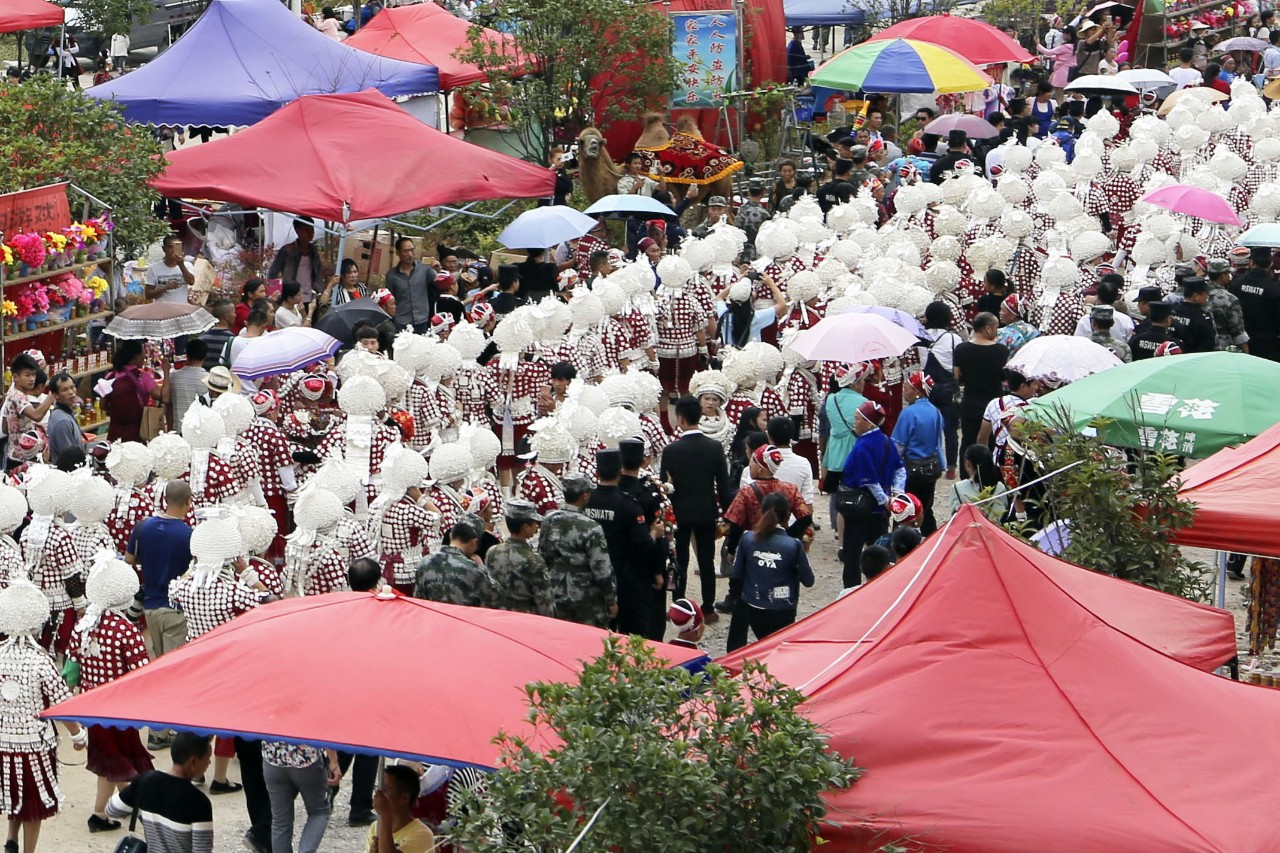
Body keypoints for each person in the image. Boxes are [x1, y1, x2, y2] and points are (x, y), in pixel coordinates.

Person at [660, 397, 732, 623]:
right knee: (706, 561)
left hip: (680, 511)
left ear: (680, 418)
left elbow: (664, 485)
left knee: (678, 559)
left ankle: (679, 605)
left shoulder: (671, 450)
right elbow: (723, 484)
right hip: (706, 510)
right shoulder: (714, 447)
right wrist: (727, 514)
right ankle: (708, 607)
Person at [587, 450, 665, 639]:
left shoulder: (588, 499)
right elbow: (643, 543)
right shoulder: (629, 505)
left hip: (596, 575)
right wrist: (654, 534)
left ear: (597, 473)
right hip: (629, 576)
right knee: (634, 633)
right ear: (619, 472)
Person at [125, 480, 194, 686]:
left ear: (164, 500)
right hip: (176, 609)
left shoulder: (143, 527)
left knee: (160, 662)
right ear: (188, 502)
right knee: (175, 670)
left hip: (150, 607)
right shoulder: (189, 535)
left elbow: (129, 560)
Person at [106, 732, 213, 853]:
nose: (209, 763)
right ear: (193, 762)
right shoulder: (199, 802)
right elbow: (202, 850)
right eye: (208, 758)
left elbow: (111, 810)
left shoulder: (145, 781)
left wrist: (142, 809)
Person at [729, 491, 814, 642]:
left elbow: (736, 573)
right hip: (783, 607)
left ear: (761, 513)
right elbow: (808, 580)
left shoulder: (747, 538)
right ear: (787, 516)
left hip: (754, 605)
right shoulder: (793, 545)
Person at [838, 401, 905, 588]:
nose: (854, 422)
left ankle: (851, 590)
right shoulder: (887, 441)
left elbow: (868, 480)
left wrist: (884, 501)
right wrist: (897, 494)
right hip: (879, 513)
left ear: (868, 422)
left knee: (852, 555)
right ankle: (880, 588)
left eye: (858, 419)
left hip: (860, 511)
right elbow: (900, 470)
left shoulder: (862, 447)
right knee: (879, 554)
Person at [538, 475, 617, 628]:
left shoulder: (548, 520)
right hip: (586, 595)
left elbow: (543, 556)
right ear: (584, 495)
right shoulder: (591, 527)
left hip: (556, 588)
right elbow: (602, 569)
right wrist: (610, 599)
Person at [262, 738, 341, 853]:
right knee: (319, 812)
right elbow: (323, 728)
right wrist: (333, 761)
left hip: (273, 758)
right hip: (307, 758)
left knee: (280, 821)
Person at [892, 372, 946, 535]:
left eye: (906, 388)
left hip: (912, 469)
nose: (903, 392)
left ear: (917, 391)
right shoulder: (935, 411)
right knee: (926, 509)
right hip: (930, 468)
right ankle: (931, 541)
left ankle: (900, 545)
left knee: (904, 510)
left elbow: (898, 445)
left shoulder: (908, 413)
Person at [486, 501, 554, 616]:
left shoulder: (492, 552)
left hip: (499, 616)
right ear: (526, 527)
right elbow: (544, 604)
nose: (537, 526)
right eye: (534, 523)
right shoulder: (534, 560)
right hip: (526, 618)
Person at [953, 312, 1008, 453]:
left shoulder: (961, 349)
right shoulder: (1001, 351)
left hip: (970, 401)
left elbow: (956, 377)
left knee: (968, 440)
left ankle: (967, 472)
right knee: (992, 441)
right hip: (994, 403)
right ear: (988, 329)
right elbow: (1004, 377)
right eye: (996, 328)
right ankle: (988, 472)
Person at [412, 523, 502, 608]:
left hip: (434, 619)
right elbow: (496, 598)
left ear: (451, 536)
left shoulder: (424, 563)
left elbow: (419, 600)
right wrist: (483, 567)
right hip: (462, 621)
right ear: (474, 542)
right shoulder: (475, 570)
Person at [102, 340, 165, 446]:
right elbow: (161, 396)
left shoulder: (109, 377)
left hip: (114, 434)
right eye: (143, 354)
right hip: (137, 433)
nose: (144, 357)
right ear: (135, 357)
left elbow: (103, 405)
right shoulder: (142, 377)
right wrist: (166, 373)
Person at [365, 764, 434, 853]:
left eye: (385, 790)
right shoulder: (375, 827)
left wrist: (385, 816)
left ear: (404, 798)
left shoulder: (422, 835)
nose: (378, 794)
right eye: (377, 788)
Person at [1230, 247, 1280, 360]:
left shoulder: (1237, 283)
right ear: (1270, 263)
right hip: (1267, 344)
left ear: (1251, 262)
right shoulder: (1274, 288)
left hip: (1241, 340)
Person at [267, 217, 327, 306]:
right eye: (307, 230)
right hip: (292, 297)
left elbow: (319, 271)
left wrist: (320, 290)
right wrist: (276, 295)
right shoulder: (287, 250)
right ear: (297, 230)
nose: (311, 233)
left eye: (312, 229)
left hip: (311, 296)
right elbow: (272, 273)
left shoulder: (313, 250)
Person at [385, 237, 437, 333]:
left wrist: (438, 270)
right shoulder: (392, 275)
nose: (410, 254)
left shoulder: (425, 270)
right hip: (401, 321)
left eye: (412, 250)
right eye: (406, 251)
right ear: (398, 253)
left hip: (422, 320)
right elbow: (390, 298)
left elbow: (439, 285)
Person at [1205, 258, 1249, 352]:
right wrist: (1246, 350)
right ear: (1222, 276)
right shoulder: (1229, 299)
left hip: (1204, 345)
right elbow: (1237, 331)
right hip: (1225, 347)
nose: (1230, 277)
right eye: (1228, 274)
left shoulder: (1200, 294)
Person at [1170, 277, 1217, 353]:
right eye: (1205, 294)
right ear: (1196, 296)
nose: (1207, 297)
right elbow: (1207, 347)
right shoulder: (1202, 318)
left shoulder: (1172, 311)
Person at [43, 372, 82, 463]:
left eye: (72, 387)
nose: (71, 392)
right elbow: (69, 458)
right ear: (56, 395)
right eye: (65, 390)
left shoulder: (63, 413)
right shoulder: (63, 422)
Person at [145, 235, 195, 305]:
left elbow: (191, 281)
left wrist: (181, 265)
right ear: (164, 249)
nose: (173, 251)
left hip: (182, 308)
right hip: (162, 309)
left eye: (176, 247)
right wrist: (165, 288)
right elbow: (148, 295)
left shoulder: (187, 265)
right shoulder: (154, 268)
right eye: (170, 247)